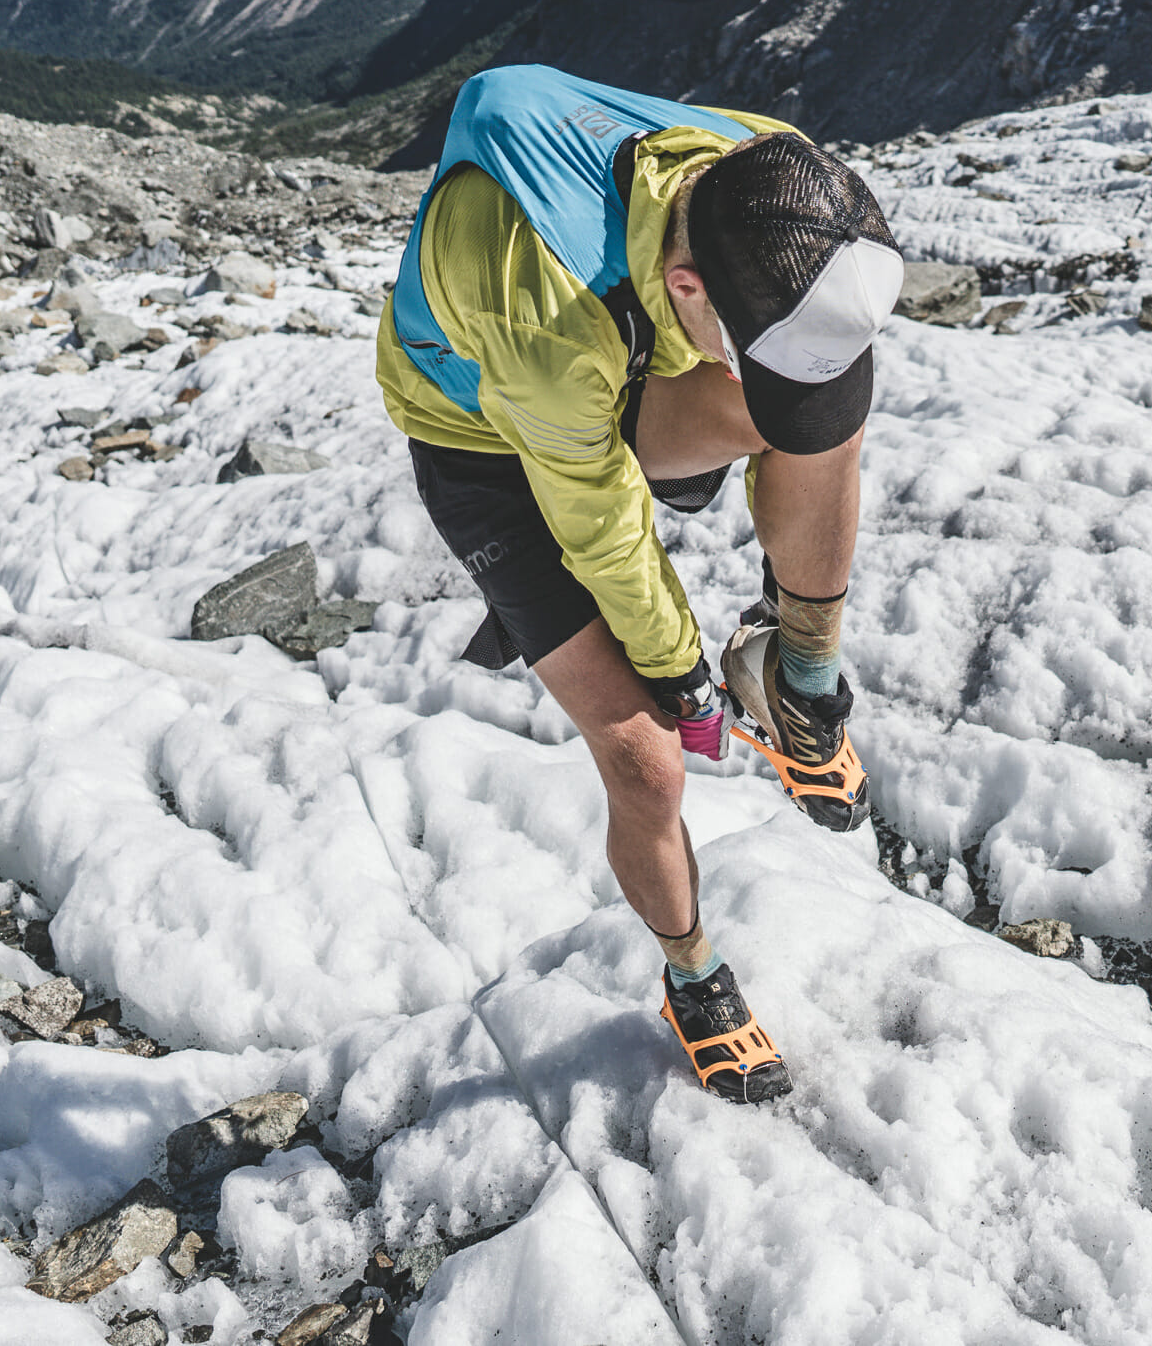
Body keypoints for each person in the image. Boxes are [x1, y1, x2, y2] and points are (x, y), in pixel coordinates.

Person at [375, 65, 904, 1103]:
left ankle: (797, 676)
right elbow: (602, 530)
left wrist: (777, 389)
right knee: (644, 760)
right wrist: (683, 680)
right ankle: (692, 976)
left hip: (617, 348)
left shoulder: (778, 186)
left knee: (810, 422)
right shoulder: (544, 303)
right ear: (690, 287)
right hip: (487, 431)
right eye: (748, 353)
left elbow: (799, 387)